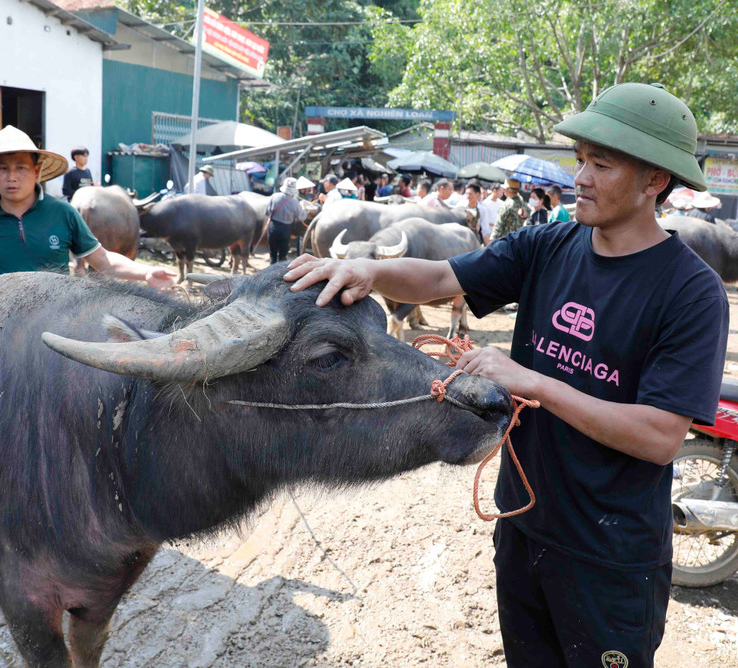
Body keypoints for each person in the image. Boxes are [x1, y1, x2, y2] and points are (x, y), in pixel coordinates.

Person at [284, 82, 728, 668]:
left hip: (610, 554)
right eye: (580, 161)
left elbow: (660, 436)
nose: (582, 178)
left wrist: (534, 381)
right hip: (523, 525)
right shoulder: (548, 245)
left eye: (602, 164)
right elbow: (442, 277)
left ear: (655, 182)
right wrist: (365, 268)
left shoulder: (691, 293)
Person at [0, 125, 175, 288]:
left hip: (57, 322)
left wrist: (146, 272)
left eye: (21, 168)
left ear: (37, 172)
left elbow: (103, 259)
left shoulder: (63, 213)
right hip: (1, 325)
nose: (12, 177)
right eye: (3, 168)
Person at [264, 177, 304, 264]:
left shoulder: (274, 197)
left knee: (272, 255)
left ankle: (271, 271)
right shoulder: (295, 202)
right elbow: (301, 217)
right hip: (285, 230)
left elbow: (267, 212)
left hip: (273, 228)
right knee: (282, 256)